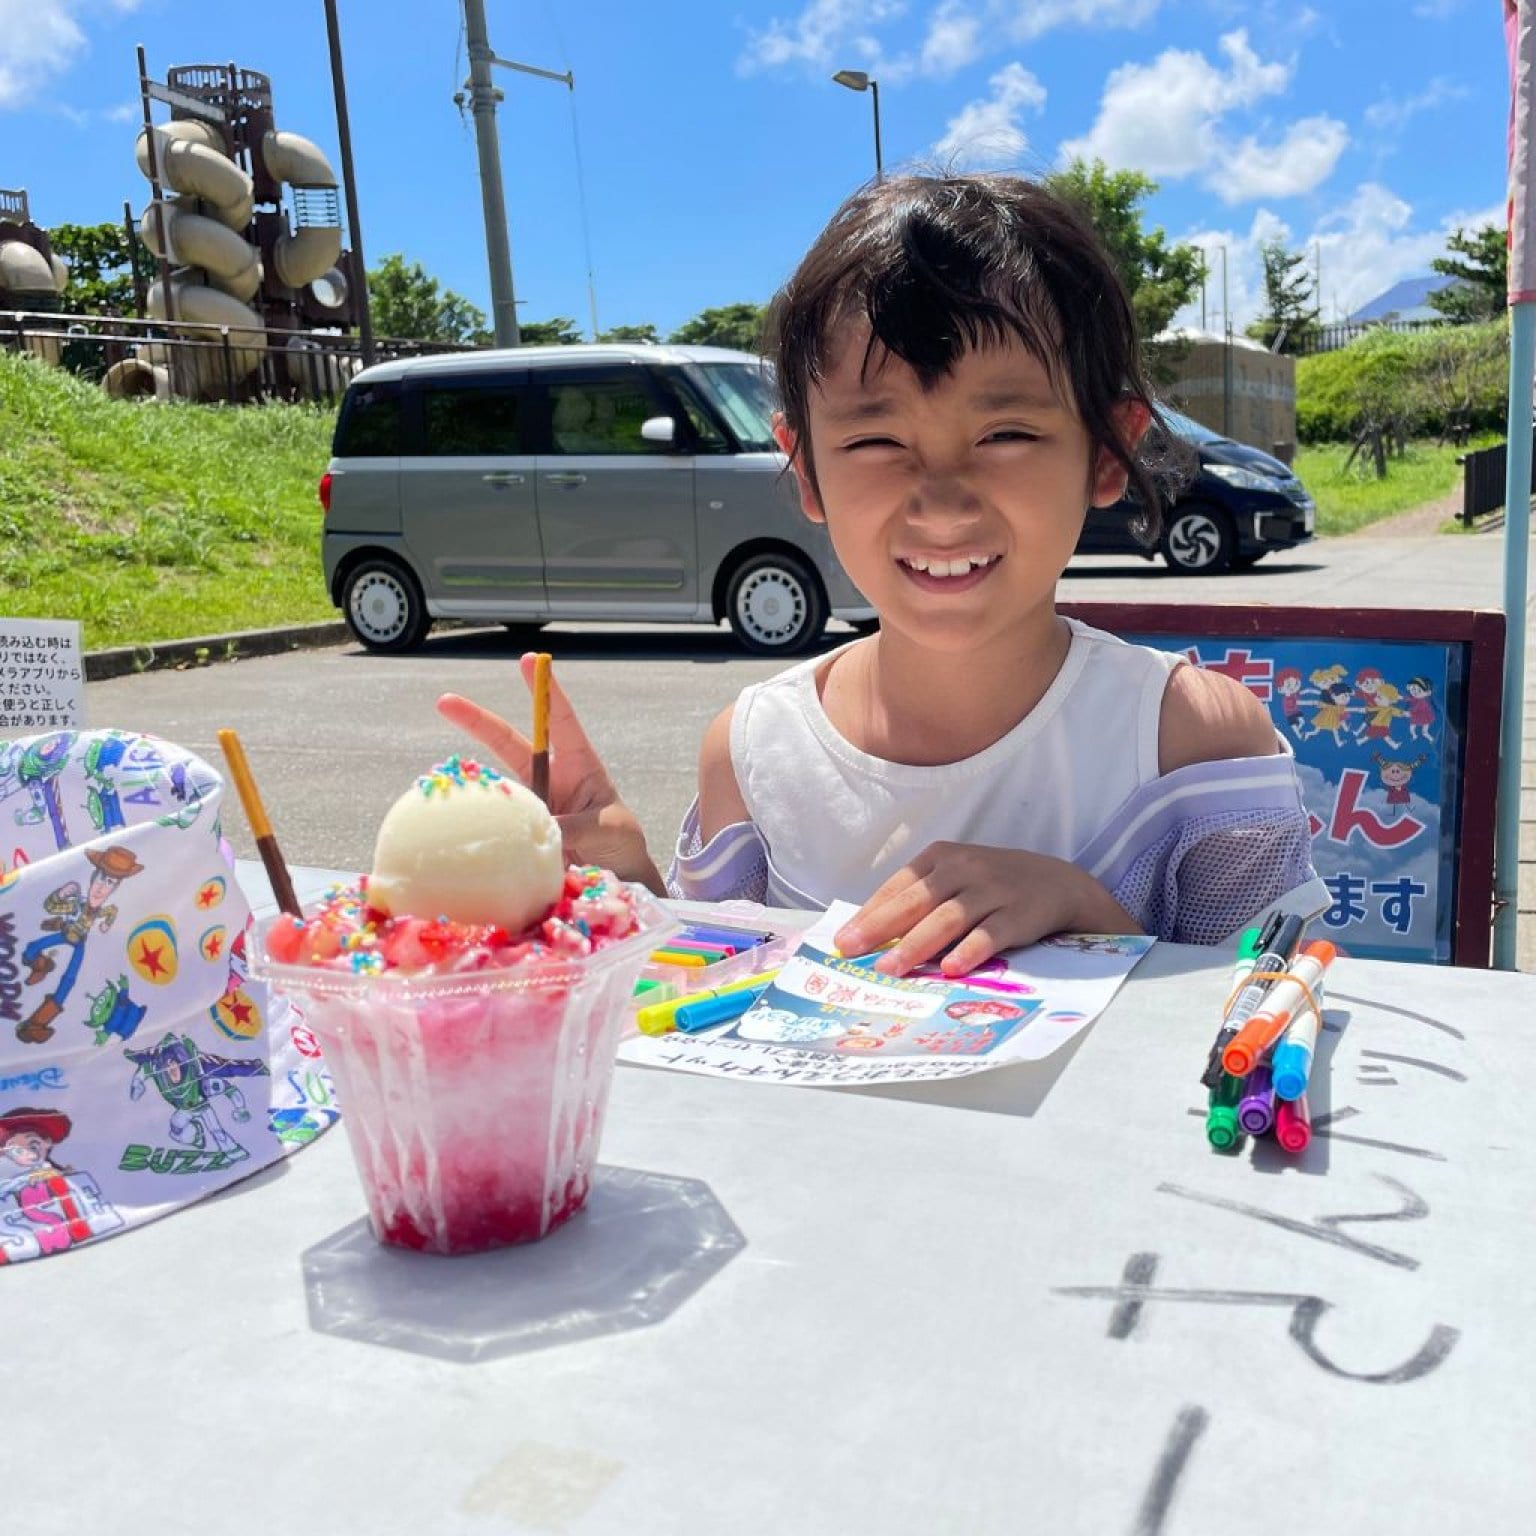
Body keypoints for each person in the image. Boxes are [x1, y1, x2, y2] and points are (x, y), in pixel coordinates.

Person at [439, 172, 1317, 977]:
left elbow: (1283, 990)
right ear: (806, 467)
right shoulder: (751, 754)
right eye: (875, 440)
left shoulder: (1190, 744)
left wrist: (1091, 913)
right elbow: (711, 994)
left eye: (1006, 434)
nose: (941, 503)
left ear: (1105, 451)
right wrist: (628, 888)